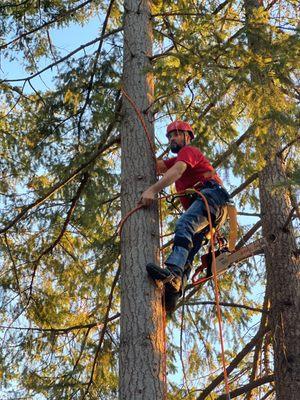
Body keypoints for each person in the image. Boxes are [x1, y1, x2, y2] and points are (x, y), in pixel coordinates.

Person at [140, 120, 230, 313]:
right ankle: (174, 288)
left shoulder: (188, 152)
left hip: (211, 197)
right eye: (170, 136)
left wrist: (152, 190)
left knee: (184, 225)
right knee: (188, 249)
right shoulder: (177, 159)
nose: (172, 139)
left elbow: (177, 170)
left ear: (187, 137)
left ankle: (173, 271)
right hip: (210, 208)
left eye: (176, 134)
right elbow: (161, 166)